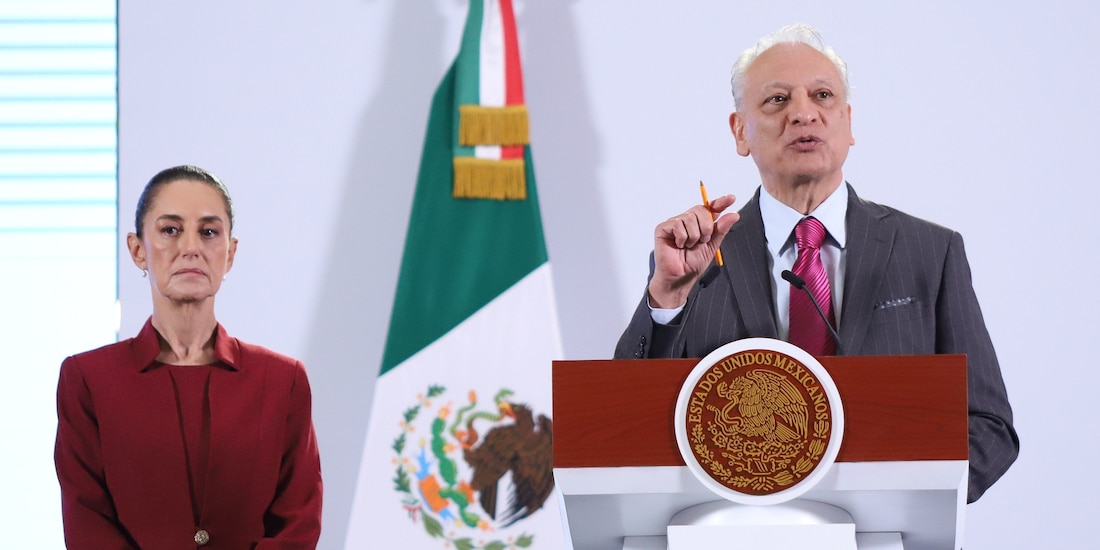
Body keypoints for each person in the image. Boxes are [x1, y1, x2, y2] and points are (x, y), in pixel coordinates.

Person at [614, 24, 1018, 503]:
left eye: (821, 96)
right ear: (740, 131)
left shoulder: (929, 250)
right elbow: (627, 425)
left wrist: (894, 503)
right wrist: (667, 300)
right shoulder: (696, 259)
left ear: (847, 123)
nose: (803, 113)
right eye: (777, 100)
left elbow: (989, 426)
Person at [54, 165, 323, 548]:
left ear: (229, 253)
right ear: (137, 249)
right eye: (170, 230)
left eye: (209, 232)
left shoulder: (282, 380)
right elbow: (87, 522)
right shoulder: (89, 378)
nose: (191, 247)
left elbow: (298, 522)